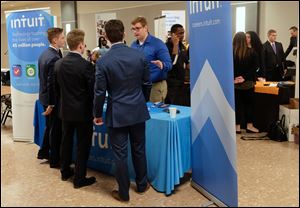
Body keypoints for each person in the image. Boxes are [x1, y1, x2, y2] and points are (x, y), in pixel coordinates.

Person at [94, 19, 151, 202]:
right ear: (124, 34)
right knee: (139, 149)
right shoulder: (139, 56)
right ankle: (142, 185)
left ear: (106, 38)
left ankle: (124, 193)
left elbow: (99, 92)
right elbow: (147, 83)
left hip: (117, 112)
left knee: (120, 154)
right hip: (137, 110)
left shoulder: (103, 62)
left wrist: (96, 114)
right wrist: (143, 101)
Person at [55, 29, 96, 188]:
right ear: (80, 46)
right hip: (82, 112)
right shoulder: (86, 66)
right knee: (82, 144)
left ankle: (65, 171)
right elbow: (92, 91)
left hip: (65, 110)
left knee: (66, 141)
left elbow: (56, 89)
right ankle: (79, 178)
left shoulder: (58, 63)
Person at [37, 27, 64, 168]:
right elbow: (52, 82)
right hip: (51, 100)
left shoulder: (44, 54)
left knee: (50, 127)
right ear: (55, 40)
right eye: (62, 38)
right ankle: (54, 160)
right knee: (55, 129)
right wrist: (52, 104)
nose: (64, 40)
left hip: (44, 96)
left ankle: (43, 152)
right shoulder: (53, 57)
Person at [131, 16, 172, 103]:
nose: (135, 32)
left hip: (155, 86)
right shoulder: (133, 45)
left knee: (154, 115)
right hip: (139, 87)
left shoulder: (158, 44)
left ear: (145, 27)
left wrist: (162, 65)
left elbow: (169, 64)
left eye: (138, 28)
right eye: (133, 29)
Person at [233, 32, 260, 134]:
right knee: (249, 105)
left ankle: (237, 127)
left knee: (237, 106)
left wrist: (235, 78)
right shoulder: (252, 52)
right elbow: (256, 68)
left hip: (235, 84)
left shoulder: (230, 53)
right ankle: (249, 126)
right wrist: (244, 77)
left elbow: (227, 67)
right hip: (248, 83)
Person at [165, 24, 189, 106]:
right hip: (171, 83)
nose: (182, 36)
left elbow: (187, 62)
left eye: (183, 33)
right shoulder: (166, 47)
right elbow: (172, 63)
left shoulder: (182, 46)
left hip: (181, 82)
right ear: (173, 34)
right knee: (174, 106)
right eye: (180, 33)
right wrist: (175, 44)